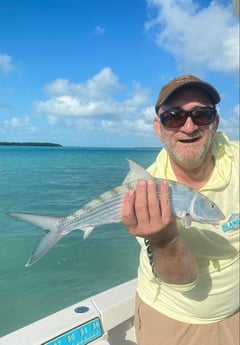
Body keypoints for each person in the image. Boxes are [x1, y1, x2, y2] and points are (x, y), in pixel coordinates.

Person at [121, 75, 239, 345]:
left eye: (202, 115)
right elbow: (182, 281)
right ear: (158, 128)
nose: (188, 126)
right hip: (174, 321)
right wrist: (165, 239)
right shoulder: (144, 190)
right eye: (173, 117)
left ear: (216, 122)